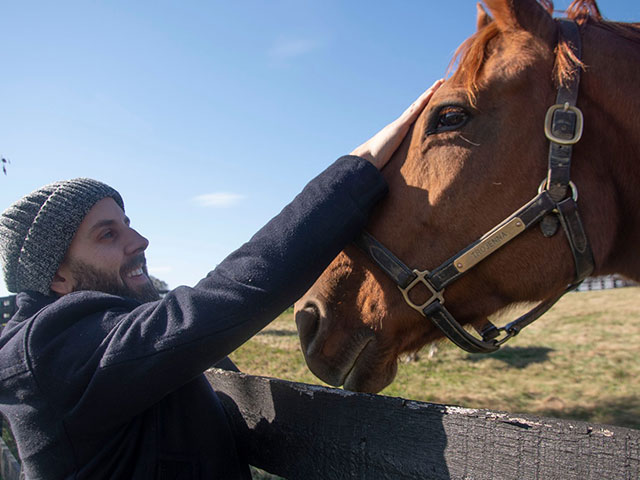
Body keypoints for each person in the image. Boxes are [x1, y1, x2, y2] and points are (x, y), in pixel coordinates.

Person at [0, 80, 442, 480]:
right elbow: (223, 300)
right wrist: (358, 169)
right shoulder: (47, 349)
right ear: (56, 276)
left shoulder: (101, 348)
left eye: (128, 223)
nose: (140, 241)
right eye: (108, 234)